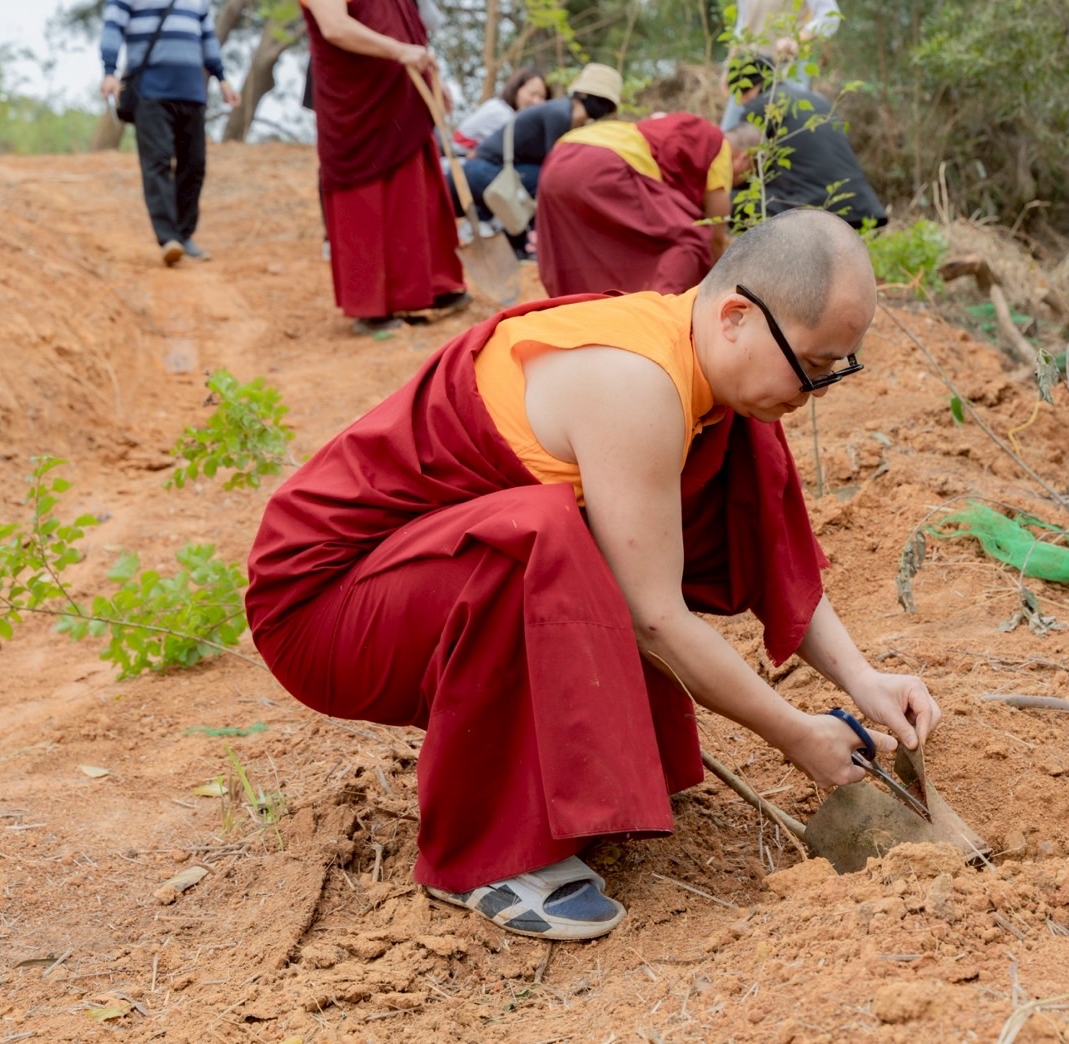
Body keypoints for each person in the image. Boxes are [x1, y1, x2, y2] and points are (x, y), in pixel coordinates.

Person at [245, 209, 941, 942]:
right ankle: (481, 859)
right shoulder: (633, 382)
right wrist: (794, 733)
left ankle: (553, 783)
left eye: (836, 372)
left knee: (601, 524)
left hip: (409, 579)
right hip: (328, 609)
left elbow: (764, 556)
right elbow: (654, 616)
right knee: (535, 537)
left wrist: (862, 680)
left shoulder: (704, 373)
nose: (813, 393)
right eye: (812, 366)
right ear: (735, 315)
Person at [301, 0, 469, 334]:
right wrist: (399, 51)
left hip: (401, 92)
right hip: (358, 102)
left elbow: (404, 28)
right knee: (366, 200)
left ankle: (428, 287)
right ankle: (373, 306)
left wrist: (428, 75)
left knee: (414, 193)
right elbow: (335, 27)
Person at [534, 112, 754, 297]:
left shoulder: (682, 127)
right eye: (745, 176)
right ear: (744, 159)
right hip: (603, 163)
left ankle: (582, 314)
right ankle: (658, 315)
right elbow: (715, 232)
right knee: (692, 238)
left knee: (595, 247)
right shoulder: (717, 147)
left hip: (559, 157)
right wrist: (719, 284)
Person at [100, 0, 241, 267]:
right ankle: (168, 238)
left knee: (194, 164)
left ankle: (184, 235)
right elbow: (112, 28)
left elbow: (208, 38)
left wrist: (222, 78)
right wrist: (109, 71)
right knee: (158, 162)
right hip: (150, 92)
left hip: (192, 91)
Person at [464, 62, 622, 256]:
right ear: (583, 94)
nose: (604, 109)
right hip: (482, 171)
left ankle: (516, 241)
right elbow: (557, 173)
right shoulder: (559, 114)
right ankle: (521, 241)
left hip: (504, 174)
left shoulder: (572, 121)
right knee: (550, 181)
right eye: (602, 101)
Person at [730, 57, 887, 229]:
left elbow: (748, 166)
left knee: (729, 200)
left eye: (738, 96)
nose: (739, 103)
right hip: (859, 205)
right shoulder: (816, 99)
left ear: (747, 88)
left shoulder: (760, 107)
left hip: (811, 206)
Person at [720, 0, 841, 132]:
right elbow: (743, 24)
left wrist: (797, 39)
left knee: (787, 127)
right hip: (749, 68)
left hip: (788, 66)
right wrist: (729, 67)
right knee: (733, 131)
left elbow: (830, 16)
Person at [453, 66, 549, 152]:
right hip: (460, 163)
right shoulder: (501, 112)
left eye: (542, 97)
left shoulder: (500, 107)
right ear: (516, 90)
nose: (537, 102)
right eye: (532, 94)